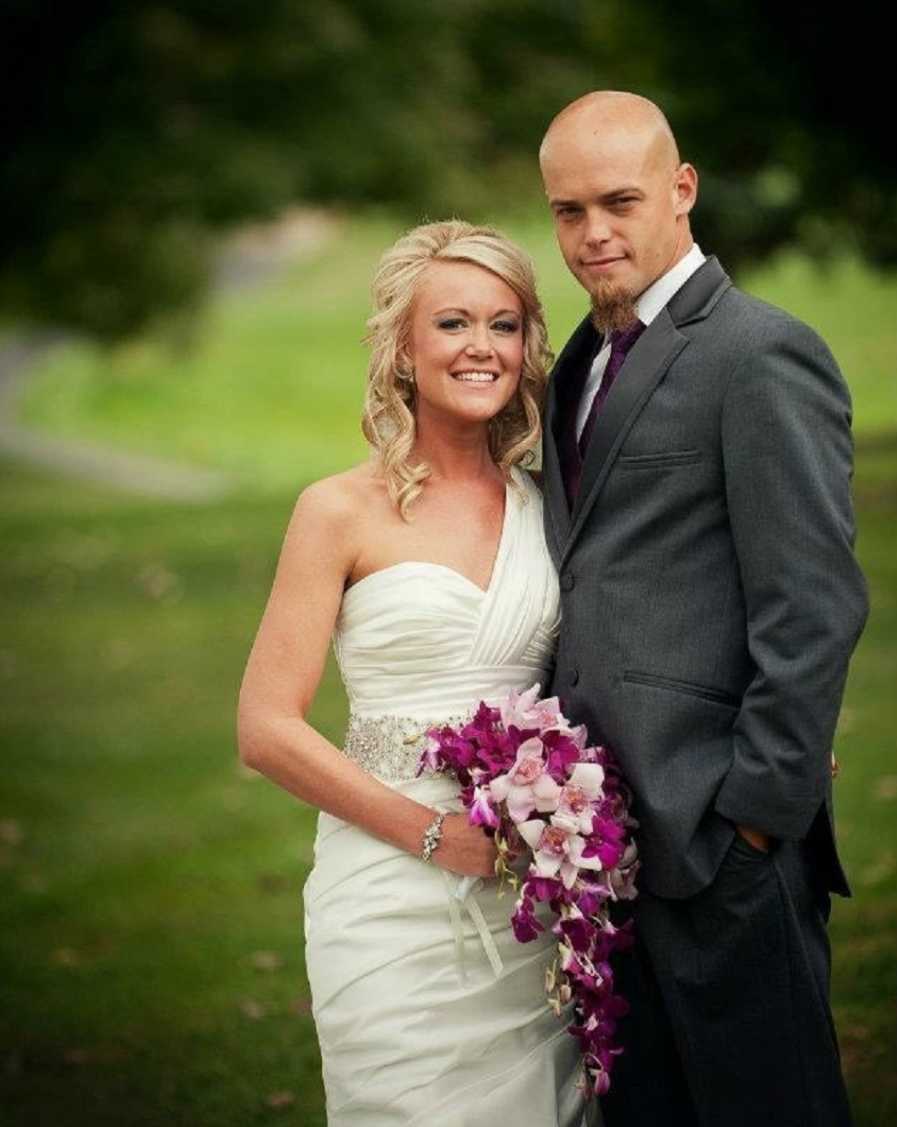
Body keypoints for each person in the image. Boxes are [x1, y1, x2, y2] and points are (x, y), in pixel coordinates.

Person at [538, 90, 869, 1126]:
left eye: (619, 200)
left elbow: (813, 602)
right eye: (566, 210)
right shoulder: (581, 363)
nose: (593, 234)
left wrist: (757, 820)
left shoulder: (759, 352)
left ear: (681, 191)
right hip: (603, 847)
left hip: (720, 840)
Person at [238, 220, 596, 1126]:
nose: (482, 347)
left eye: (505, 325)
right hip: (388, 894)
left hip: (530, 894)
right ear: (403, 345)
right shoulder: (336, 511)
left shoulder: (553, 507)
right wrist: (433, 836)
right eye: (453, 323)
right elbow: (266, 728)